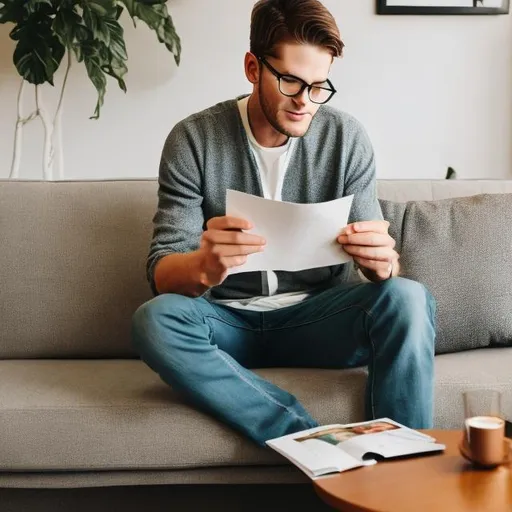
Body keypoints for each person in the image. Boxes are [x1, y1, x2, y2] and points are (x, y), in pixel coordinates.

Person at [131, 0, 437, 448]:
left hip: (318, 320)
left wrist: (382, 264)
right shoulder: (194, 139)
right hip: (225, 323)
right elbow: (161, 271)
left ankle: (401, 464)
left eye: (318, 87)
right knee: (154, 320)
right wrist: (202, 266)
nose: (304, 102)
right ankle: (309, 443)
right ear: (253, 67)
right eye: (290, 81)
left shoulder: (346, 138)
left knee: (409, 297)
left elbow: (380, 265)